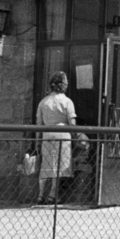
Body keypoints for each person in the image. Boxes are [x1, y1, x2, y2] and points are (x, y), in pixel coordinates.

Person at [36, 71, 78, 205]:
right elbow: (72, 122)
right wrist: (75, 136)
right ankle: (52, 195)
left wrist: (38, 141)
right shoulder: (67, 102)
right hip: (63, 134)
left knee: (46, 165)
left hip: (47, 133)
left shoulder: (43, 102)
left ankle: (40, 195)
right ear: (64, 85)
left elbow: (38, 123)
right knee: (58, 166)